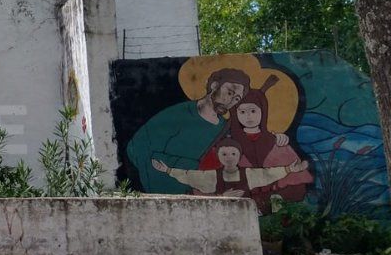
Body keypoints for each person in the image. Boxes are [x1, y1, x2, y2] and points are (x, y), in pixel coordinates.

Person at [126, 68, 250, 194]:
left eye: (236, 99)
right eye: (229, 92)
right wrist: (178, 167)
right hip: (164, 185)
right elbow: (136, 147)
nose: (230, 101)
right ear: (214, 85)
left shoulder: (223, 127)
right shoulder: (180, 113)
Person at [199, 79, 311, 212]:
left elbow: (298, 187)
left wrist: (265, 200)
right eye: (242, 112)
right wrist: (221, 197)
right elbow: (204, 184)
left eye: (253, 111)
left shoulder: (278, 144)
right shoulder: (225, 146)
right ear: (235, 114)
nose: (248, 116)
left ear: (263, 111)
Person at [152, 139, 309, 198]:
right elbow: (189, 176)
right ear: (219, 156)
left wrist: (290, 169)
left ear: (239, 156)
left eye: (233, 154)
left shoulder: (249, 174)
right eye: (224, 154)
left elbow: (268, 174)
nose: (229, 157)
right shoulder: (212, 176)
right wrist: (168, 170)